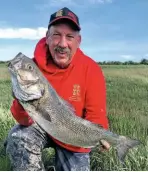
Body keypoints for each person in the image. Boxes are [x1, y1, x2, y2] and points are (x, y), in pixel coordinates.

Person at [5, 7, 110, 171]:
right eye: (56, 35)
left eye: (69, 37)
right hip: (42, 125)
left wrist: (100, 133)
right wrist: (22, 101)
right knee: (19, 136)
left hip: (72, 134)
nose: (62, 44)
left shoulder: (91, 69)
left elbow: (96, 113)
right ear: (47, 38)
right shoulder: (33, 67)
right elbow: (24, 120)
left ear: (78, 40)